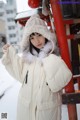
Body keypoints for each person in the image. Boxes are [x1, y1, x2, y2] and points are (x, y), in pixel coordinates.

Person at [1, 14, 72, 120]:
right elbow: (18, 71)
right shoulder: (28, 61)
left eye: (39, 35)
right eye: (32, 38)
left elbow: (60, 81)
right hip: (25, 110)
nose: (36, 41)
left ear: (45, 35)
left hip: (46, 113)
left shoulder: (53, 59)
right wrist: (9, 54)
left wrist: (48, 59)